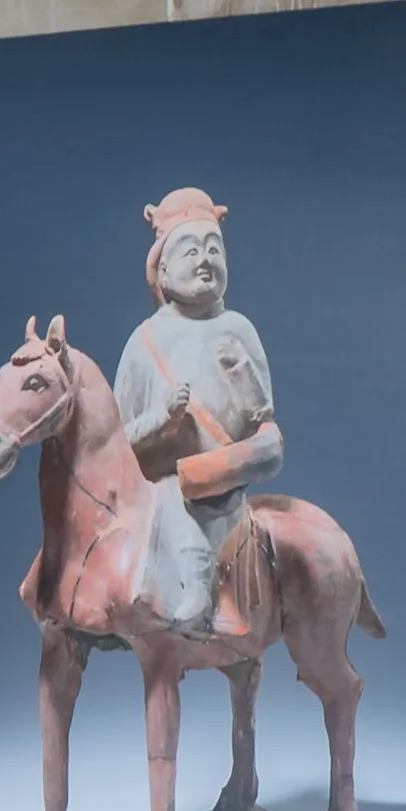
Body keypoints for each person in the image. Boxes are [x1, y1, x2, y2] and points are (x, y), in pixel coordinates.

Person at [112, 187, 280, 641]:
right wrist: (162, 418)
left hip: (224, 479)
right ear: (162, 268)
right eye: (191, 250)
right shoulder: (144, 341)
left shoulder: (238, 329)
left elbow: (262, 420)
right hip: (160, 489)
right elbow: (117, 441)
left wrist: (244, 375)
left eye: (214, 249)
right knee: (168, 496)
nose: (205, 260)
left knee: (264, 451)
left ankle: (204, 596)